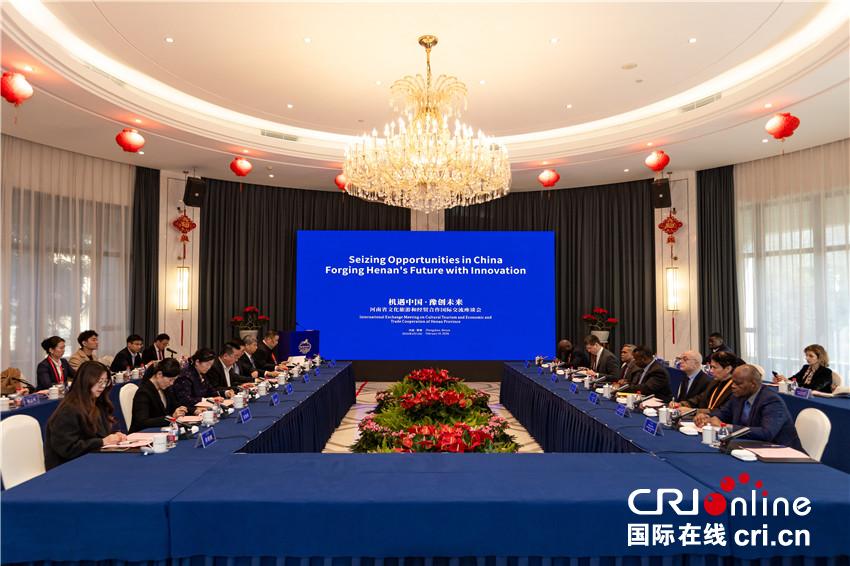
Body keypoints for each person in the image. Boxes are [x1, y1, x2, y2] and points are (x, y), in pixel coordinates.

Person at [695, 364, 803, 450]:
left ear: (753, 384)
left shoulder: (772, 401)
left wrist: (726, 427)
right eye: (733, 382)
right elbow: (723, 413)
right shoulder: (738, 396)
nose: (733, 386)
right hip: (751, 447)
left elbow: (766, 433)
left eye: (738, 383)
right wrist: (706, 417)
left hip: (781, 452)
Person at [43, 361, 126, 469]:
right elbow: (68, 448)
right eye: (99, 381)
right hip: (68, 467)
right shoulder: (68, 410)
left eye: (105, 382)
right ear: (86, 381)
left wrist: (115, 436)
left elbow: (99, 434)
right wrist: (102, 442)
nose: (102, 386)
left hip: (90, 459)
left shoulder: (97, 402)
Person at [129, 359, 190, 433]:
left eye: (174, 380)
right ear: (159, 374)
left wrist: (193, 410)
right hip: (142, 435)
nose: (172, 383)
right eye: (170, 380)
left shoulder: (164, 388)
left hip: (159, 432)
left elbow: (175, 405)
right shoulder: (143, 393)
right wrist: (171, 418)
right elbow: (142, 422)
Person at [677, 351, 742, 411]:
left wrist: (694, 411)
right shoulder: (715, 382)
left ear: (728, 369)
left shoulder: (735, 387)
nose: (711, 371)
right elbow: (700, 398)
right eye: (711, 367)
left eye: (714, 367)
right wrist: (682, 404)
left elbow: (723, 411)